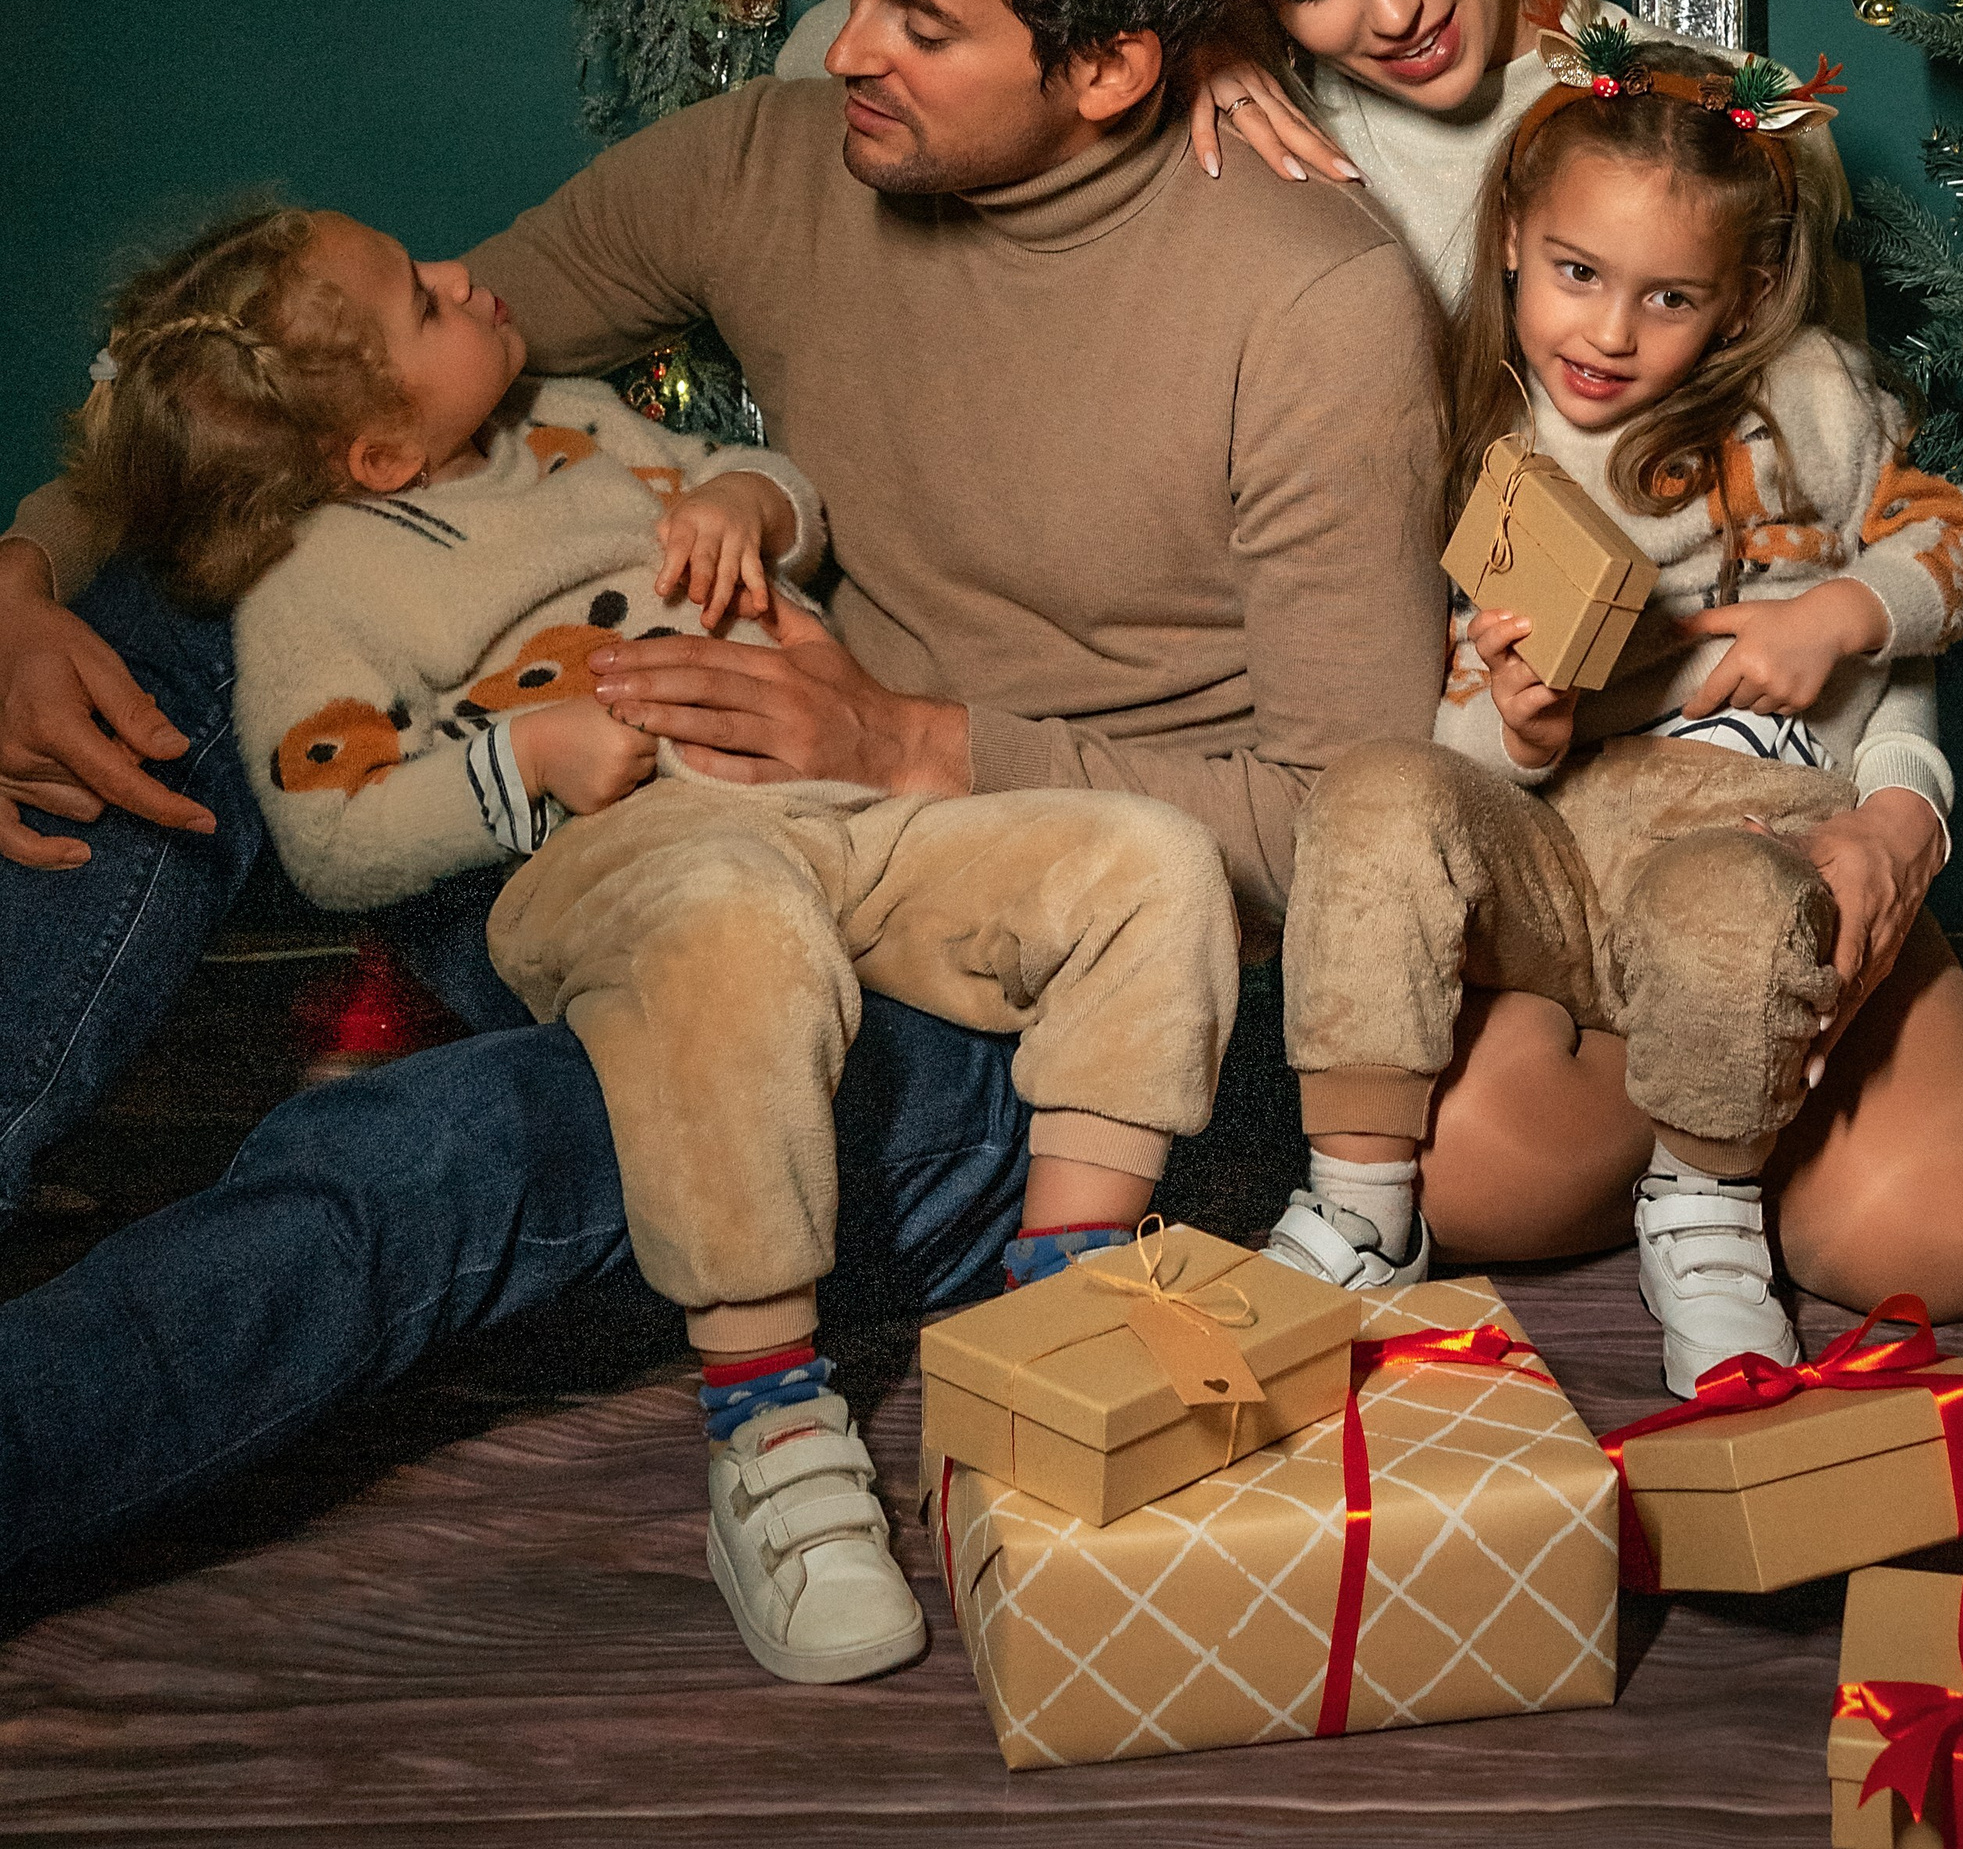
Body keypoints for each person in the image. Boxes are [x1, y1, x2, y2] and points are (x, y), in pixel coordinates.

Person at [0, 0, 1445, 1587]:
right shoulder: (781, 160)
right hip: (647, 802)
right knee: (147, 634)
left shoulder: (1309, 307)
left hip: (1008, 967)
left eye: (921, 23)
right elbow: (330, 390)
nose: (846, 49)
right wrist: (25, 579)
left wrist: (923, 742)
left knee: (440, 1160)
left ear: (1105, 66)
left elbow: (1352, 840)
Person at [65, 199, 1236, 1681]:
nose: (460, 273)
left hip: (840, 817)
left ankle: (1067, 1326)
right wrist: (524, 762)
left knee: (1145, 857)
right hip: (628, 863)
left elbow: (755, 476)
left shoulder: (578, 422)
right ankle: (772, 1421)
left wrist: (748, 510)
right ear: (373, 456)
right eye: (422, 304)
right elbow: (333, 829)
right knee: (725, 928)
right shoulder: (326, 588)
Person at [1183, 0, 1963, 1318]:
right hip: (1549, 817)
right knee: (1468, 1175)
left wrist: (1902, 806)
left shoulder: (1718, 120)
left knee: (1909, 1247)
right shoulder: (1265, 153)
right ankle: (1718, 1152)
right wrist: (1188, 44)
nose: (1387, 4)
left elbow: (1842, 512)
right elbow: (850, 65)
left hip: (1779, 797)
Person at [1270, 25, 1963, 1394]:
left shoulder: (1809, 410)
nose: (1608, 333)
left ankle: (1707, 1202)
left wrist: (1841, 615)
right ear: (1511, 242)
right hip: (1564, 874)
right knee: (1379, 792)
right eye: (1577, 275)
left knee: (1732, 915)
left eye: (1669, 299)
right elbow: (1457, 741)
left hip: (1760, 855)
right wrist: (1523, 727)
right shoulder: (1484, 439)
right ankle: (1357, 1201)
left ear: (1739, 303)